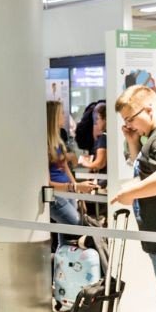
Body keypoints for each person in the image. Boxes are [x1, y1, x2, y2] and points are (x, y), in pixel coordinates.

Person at [110, 85, 156, 312]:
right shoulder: (150, 139)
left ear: (149, 109)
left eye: (131, 118)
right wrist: (133, 143)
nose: (128, 125)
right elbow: (146, 170)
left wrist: (130, 193)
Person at [47, 101, 97, 241]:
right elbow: (46, 182)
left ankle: (62, 260)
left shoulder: (57, 139)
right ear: (54, 116)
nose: (64, 116)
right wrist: (75, 187)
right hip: (57, 195)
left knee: (66, 235)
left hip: (68, 191)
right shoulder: (45, 143)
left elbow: (65, 167)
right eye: (61, 113)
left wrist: (76, 189)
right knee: (77, 226)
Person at [79, 102, 108, 176]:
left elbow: (100, 163)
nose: (97, 122)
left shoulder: (103, 138)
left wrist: (85, 162)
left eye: (98, 119)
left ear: (105, 119)